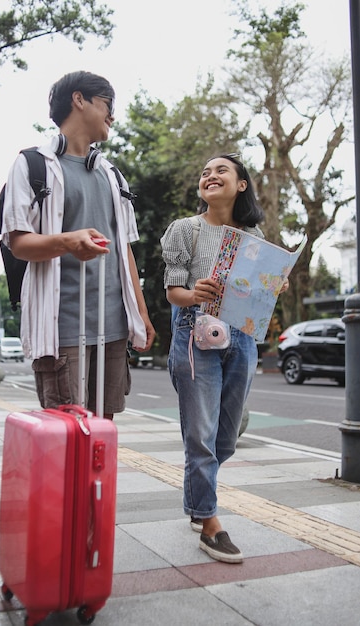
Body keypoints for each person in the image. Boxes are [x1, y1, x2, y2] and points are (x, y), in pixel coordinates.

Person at [2, 70, 155, 418]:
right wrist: (68, 242)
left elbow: (124, 249)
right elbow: (19, 243)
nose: (112, 116)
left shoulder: (113, 176)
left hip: (113, 327)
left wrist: (141, 314)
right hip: (62, 328)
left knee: (102, 432)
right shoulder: (32, 165)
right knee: (66, 434)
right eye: (107, 104)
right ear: (79, 100)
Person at [161, 154, 289, 564]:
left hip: (243, 336)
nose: (210, 176)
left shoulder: (253, 235)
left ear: (241, 185)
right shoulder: (185, 230)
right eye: (204, 172)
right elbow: (173, 292)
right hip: (194, 332)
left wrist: (274, 285)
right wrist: (193, 293)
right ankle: (209, 520)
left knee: (225, 436)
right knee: (200, 434)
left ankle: (200, 502)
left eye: (221, 171)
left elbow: (256, 291)